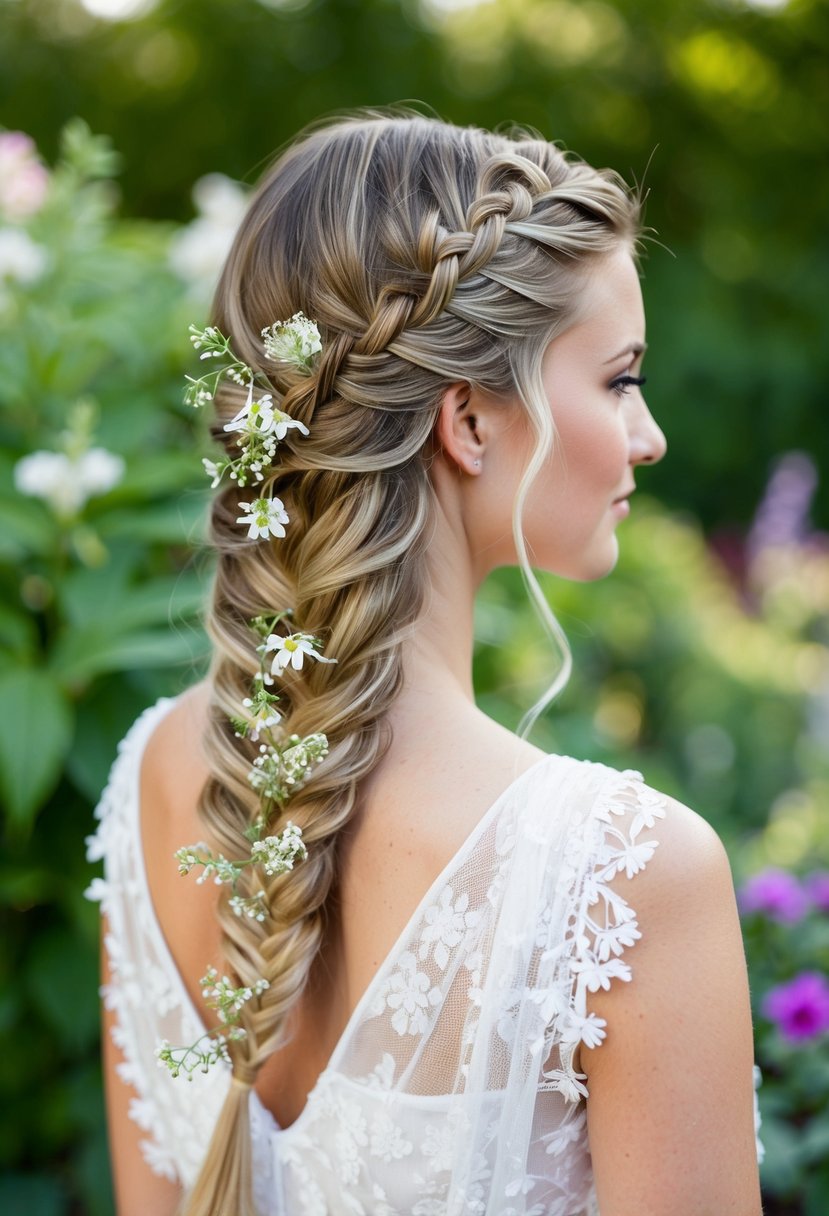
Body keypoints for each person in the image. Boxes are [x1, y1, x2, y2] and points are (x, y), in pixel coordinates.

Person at [87, 109, 763, 1216]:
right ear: (470, 422)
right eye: (618, 380)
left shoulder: (159, 775)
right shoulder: (623, 879)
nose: (648, 438)